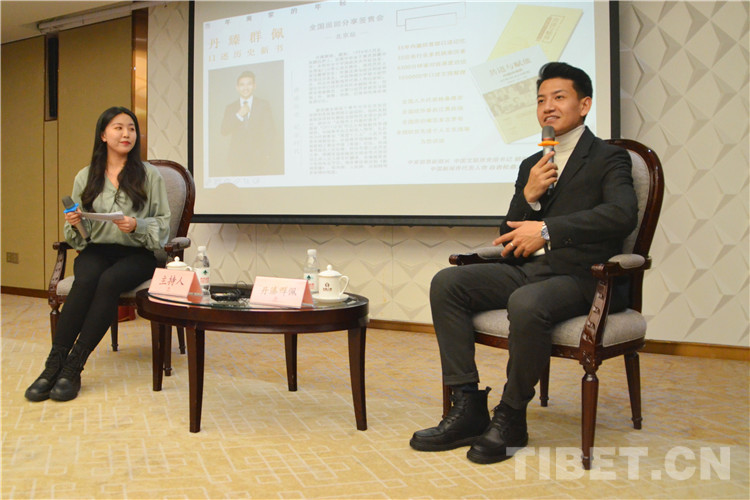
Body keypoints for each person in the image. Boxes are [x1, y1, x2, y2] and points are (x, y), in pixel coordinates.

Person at [409, 62, 638, 464]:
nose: (548, 106)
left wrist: (548, 229)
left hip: (585, 276)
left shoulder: (609, 158)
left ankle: (512, 415)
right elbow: (508, 232)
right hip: (530, 270)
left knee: (527, 303)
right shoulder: (531, 164)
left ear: (584, 105)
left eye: (559, 97)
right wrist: (529, 196)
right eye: (541, 100)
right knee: (447, 283)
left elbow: (621, 215)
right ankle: (467, 405)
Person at [25, 106, 171, 402]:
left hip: (137, 254)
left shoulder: (149, 175)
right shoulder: (86, 175)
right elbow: (82, 238)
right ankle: (52, 366)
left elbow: (163, 224)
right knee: (87, 278)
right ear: (103, 135)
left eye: (131, 128)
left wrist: (137, 225)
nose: (126, 134)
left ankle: (73, 367)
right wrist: (75, 223)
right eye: (118, 128)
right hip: (97, 250)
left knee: (109, 280)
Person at [220, 70, 279, 175]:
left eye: (249, 84)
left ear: (254, 86)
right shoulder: (231, 107)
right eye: (242, 85)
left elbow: (270, 132)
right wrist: (239, 115)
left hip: (259, 159)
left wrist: (267, 154)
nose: (245, 88)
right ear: (237, 87)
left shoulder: (263, 105)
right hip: (236, 160)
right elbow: (224, 131)